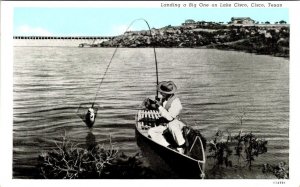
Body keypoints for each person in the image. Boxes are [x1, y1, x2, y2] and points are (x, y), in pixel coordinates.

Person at [148, 81, 186, 154]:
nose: (160, 93)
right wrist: (155, 104)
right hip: (165, 125)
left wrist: (159, 106)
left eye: (162, 92)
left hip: (174, 124)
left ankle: (181, 146)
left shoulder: (176, 102)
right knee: (151, 131)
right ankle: (168, 147)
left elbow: (170, 118)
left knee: (172, 125)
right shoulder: (165, 99)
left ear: (168, 93)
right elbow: (163, 109)